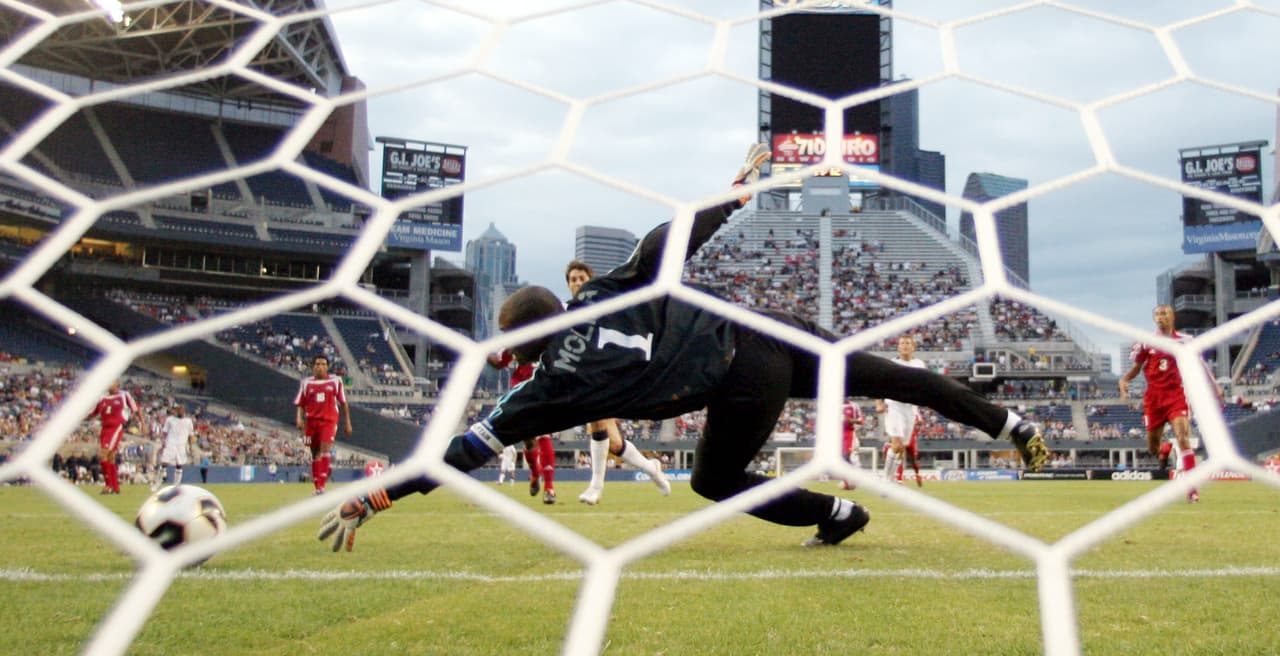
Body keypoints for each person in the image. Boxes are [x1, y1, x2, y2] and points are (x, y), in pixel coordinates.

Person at [319, 143, 1048, 552]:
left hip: (740, 376)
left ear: (519, 347)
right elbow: (667, 241)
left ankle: (834, 516)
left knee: (715, 479)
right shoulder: (605, 292)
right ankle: (1010, 425)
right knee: (891, 377)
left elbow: (460, 454)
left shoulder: (548, 389)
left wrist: (379, 495)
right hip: (767, 326)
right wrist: (734, 193)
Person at [565, 259, 671, 505]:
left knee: (596, 419)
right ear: (569, 285)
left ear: (591, 281)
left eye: (582, 278)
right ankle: (652, 468)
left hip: (612, 375)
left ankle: (596, 486)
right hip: (589, 378)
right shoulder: (568, 312)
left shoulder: (607, 303)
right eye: (573, 279)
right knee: (614, 443)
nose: (578, 283)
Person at [1118, 304, 1221, 503]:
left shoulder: (1186, 341)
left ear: (1172, 317)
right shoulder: (1146, 342)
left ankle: (1192, 489)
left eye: (1164, 313)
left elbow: (1201, 364)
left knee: (1183, 437)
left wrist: (1214, 385)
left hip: (1176, 395)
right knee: (1153, 448)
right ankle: (1165, 449)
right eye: (1156, 314)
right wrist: (1124, 380)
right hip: (1154, 398)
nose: (1160, 317)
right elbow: (1137, 367)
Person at [486, 350, 558, 504]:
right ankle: (534, 473)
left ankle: (549, 488)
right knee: (529, 441)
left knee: (544, 435)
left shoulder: (550, 336)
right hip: (523, 391)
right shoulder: (519, 336)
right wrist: (484, 353)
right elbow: (500, 362)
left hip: (543, 389)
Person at [295, 355, 352, 495]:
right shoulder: (306, 383)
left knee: (325, 450)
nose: (320, 366)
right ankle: (317, 486)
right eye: (317, 364)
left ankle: (321, 487)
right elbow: (301, 403)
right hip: (311, 421)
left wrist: (348, 422)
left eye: (323, 364)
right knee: (315, 453)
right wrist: (299, 418)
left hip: (329, 420)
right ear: (313, 367)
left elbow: (343, 403)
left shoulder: (336, 381)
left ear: (327, 367)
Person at [876, 336, 927, 487]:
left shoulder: (919, 365)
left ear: (913, 347)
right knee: (897, 445)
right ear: (898, 347)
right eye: (902, 343)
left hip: (910, 409)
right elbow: (878, 384)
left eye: (908, 343)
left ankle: (889, 478)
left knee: (900, 449)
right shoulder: (892, 364)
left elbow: (926, 385)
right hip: (894, 406)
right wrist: (879, 402)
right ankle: (885, 479)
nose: (905, 346)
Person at [87, 380, 138, 495]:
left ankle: (108, 485)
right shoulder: (102, 398)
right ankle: (115, 487)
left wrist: (142, 423)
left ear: (117, 385)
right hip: (105, 428)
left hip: (116, 427)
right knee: (110, 457)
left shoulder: (124, 395)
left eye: (112, 383)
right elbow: (93, 412)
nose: (109, 385)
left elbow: (135, 408)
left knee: (103, 455)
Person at [158, 405, 195, 487]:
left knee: (179, 465)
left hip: (181, 445)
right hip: (170, 444)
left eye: (182, 410)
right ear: (176, 411)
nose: (180, 412)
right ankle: (158, 482)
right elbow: (165, 432)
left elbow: (190, 435)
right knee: (164, 463)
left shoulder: (188, 421)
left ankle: (176, 484)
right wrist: (163, 443)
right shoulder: (170, 420)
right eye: (179, 410)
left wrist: (191, 447)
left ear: (184, 411)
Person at [839, 398, 865, 490]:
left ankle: (852, 481)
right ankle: (848, 481)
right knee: (842, 459)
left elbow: (861, 420)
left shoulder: (854, 406)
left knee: (849, 457)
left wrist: (850, 420)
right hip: (837, 435)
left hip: (849, 434)